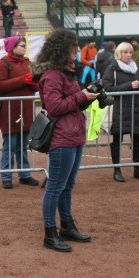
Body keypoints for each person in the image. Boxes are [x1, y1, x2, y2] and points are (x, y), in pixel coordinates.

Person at [31, 29, 99, 252]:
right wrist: (81, 96)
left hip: (74, 134)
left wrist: (87, 97)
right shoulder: (52, 75)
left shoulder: (67, 72)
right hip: (62, 136)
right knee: (55, 187)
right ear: (63, 49)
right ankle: (50, 234)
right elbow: (55, 106)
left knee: (67, 185)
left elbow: (71, 103)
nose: (78, 50)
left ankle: (67, 226)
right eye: (74, 46)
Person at [0, 36, 39, 189]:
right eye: (21, 45)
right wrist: (23, 80)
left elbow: (35, 85)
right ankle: (6, 176)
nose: (23, 47)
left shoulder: (27, 62)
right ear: (12, 47)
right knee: (10, 144)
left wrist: (34, 82)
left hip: (25, 109)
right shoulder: (2, 63)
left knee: (23, 144)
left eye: (24, 45)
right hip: (9, 111)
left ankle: (24, 174)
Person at [102, 42, 139, 182]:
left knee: (136, 140)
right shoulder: (112, 68)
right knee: (117, 140)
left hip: (135, 108)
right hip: (118, 109)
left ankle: (137, 169)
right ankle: (117, 170)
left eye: (130, 52)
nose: (128, 55)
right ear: (119, 53)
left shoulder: (136, 69)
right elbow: (107, 88)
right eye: (125, 52)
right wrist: (129, 85)